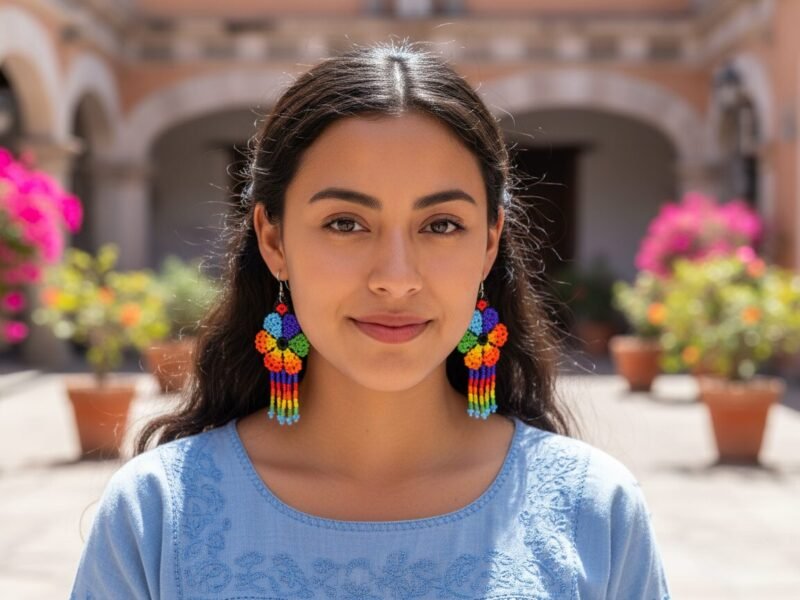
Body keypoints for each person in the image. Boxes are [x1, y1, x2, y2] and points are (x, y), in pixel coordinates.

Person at [69, 40, 672, 599]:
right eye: (345, 223)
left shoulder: (595, 512)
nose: (396, 277)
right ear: (274, 240)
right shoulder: (157, 516)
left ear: (489, 244)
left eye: (441, 225)